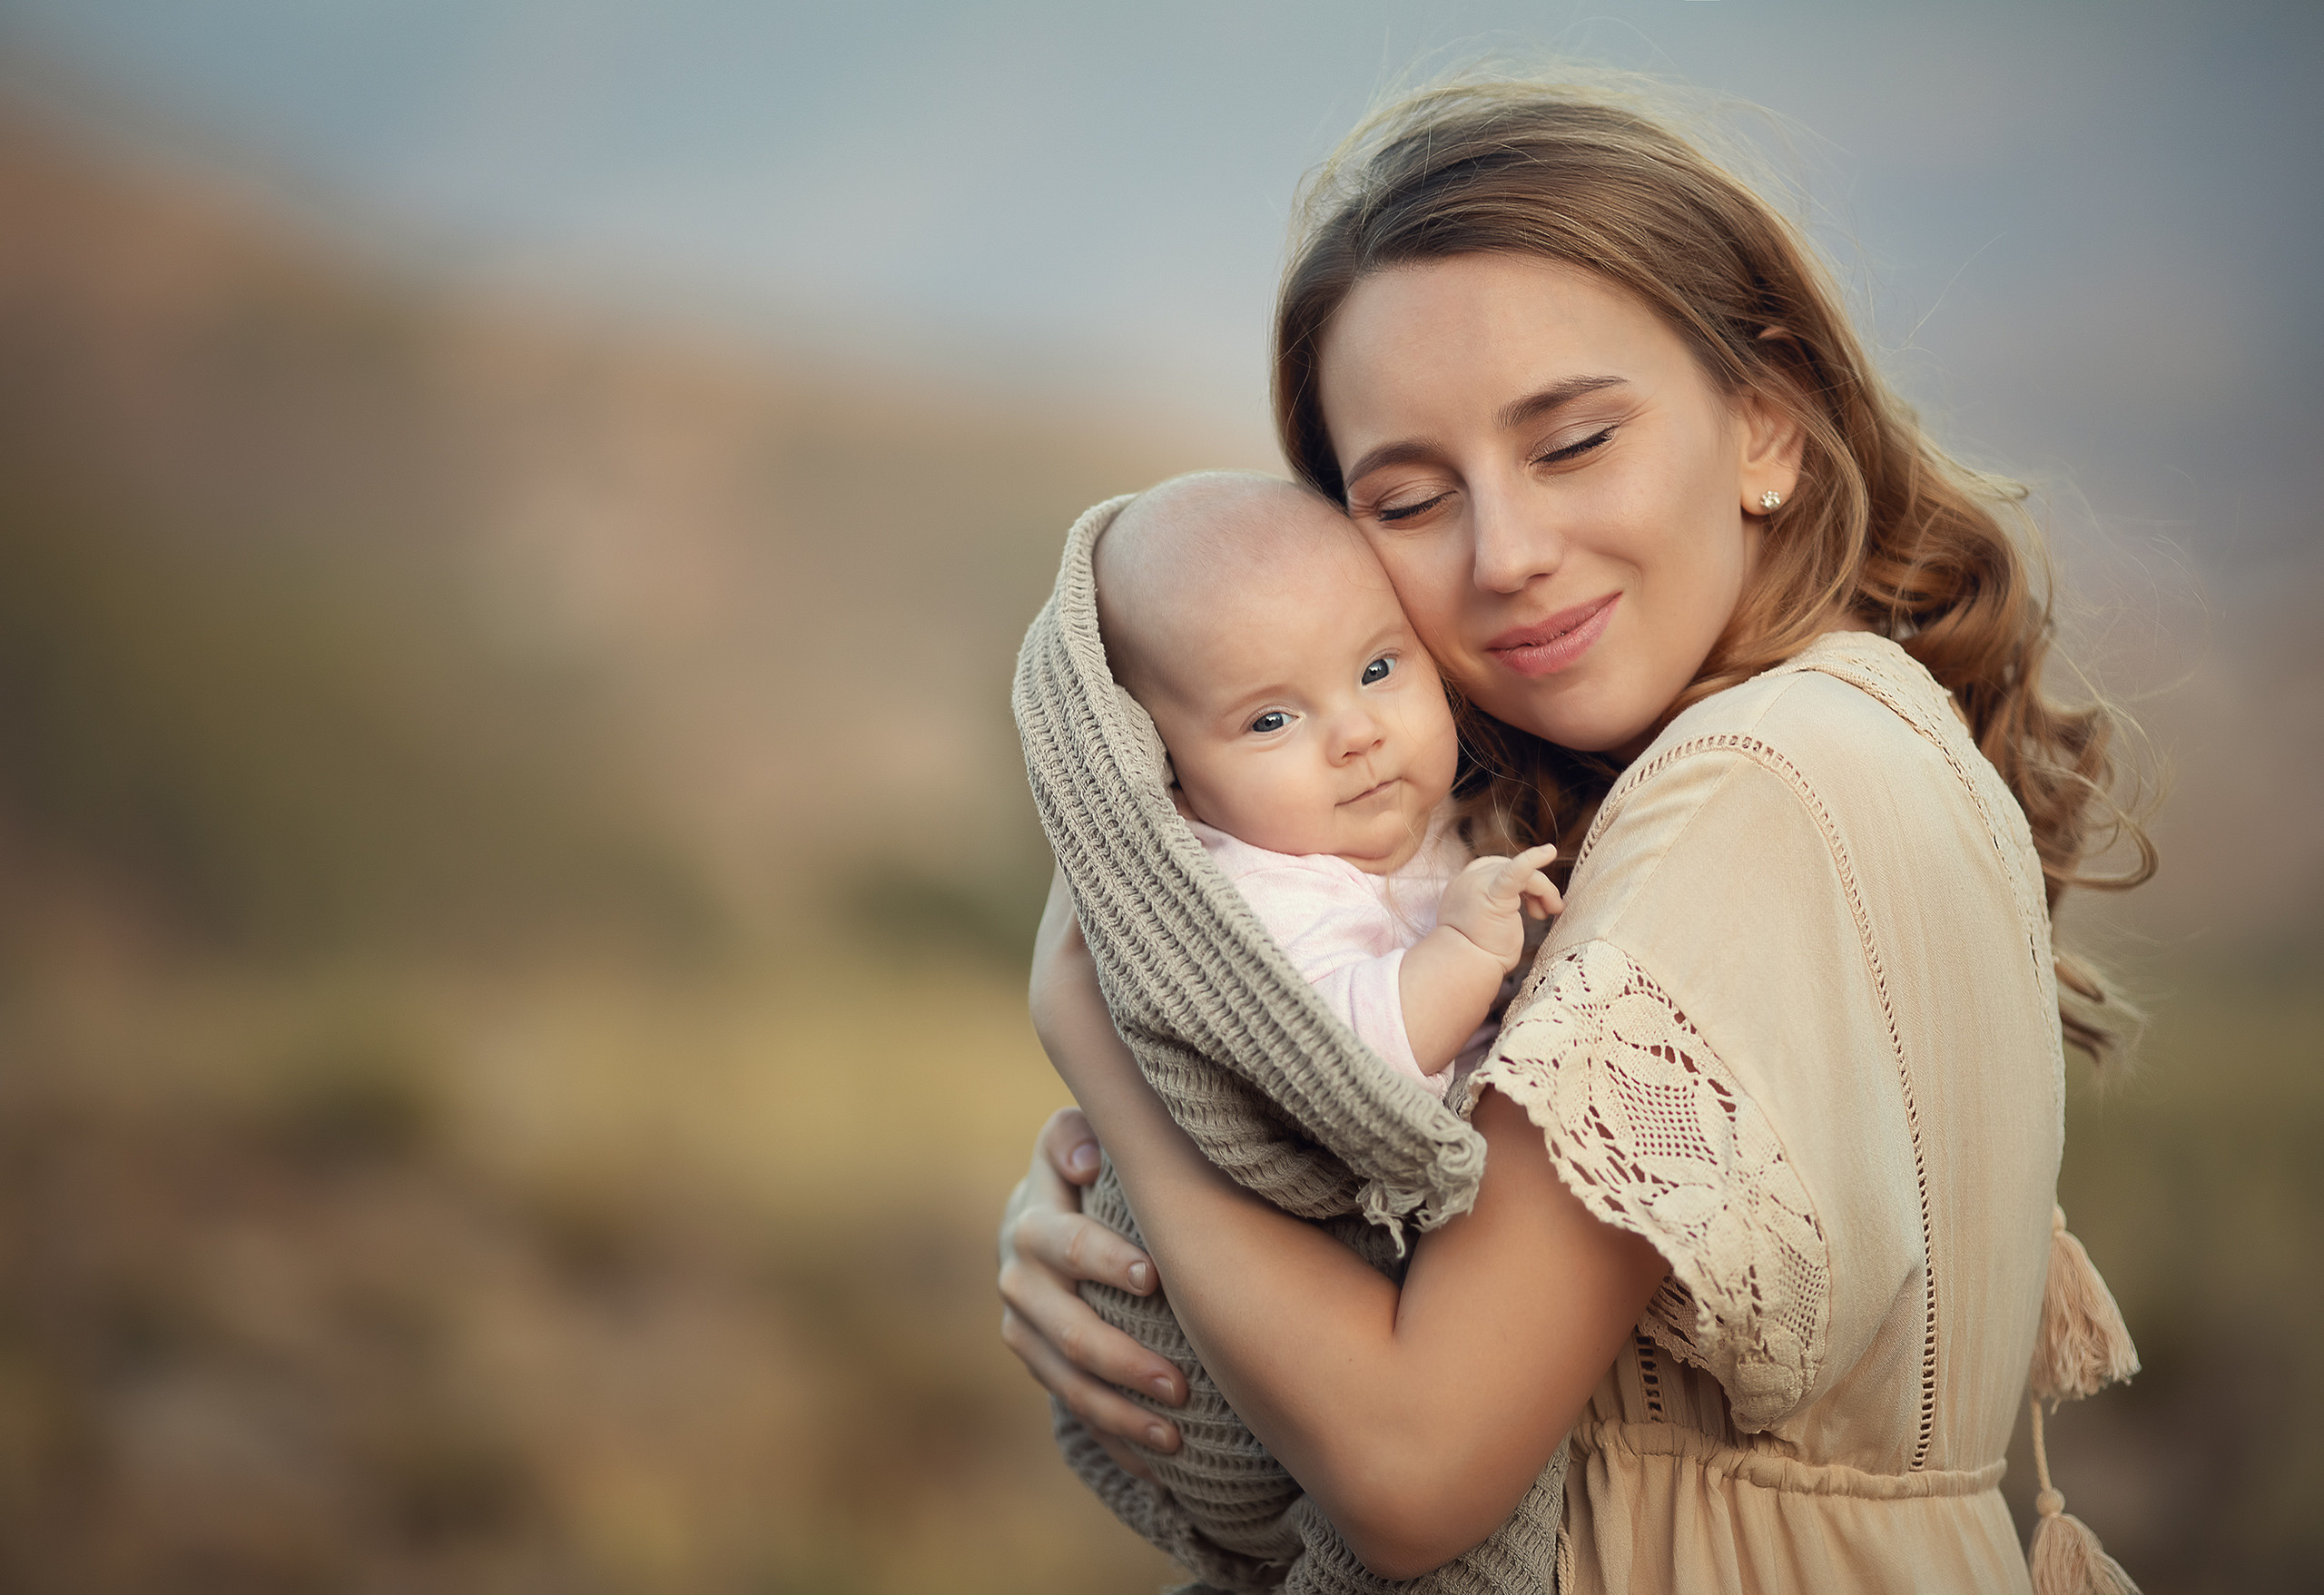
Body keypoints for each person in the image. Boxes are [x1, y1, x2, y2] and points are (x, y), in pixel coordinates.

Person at [998, 73, 2151, 1593]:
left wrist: (1102, 1036)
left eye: (1575, 441)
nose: (1510, 554)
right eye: (1409, 499)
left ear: (1767, 422)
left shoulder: (1756, 781)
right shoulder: (1687, 777)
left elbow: (1414, 1466)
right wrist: (1112, 1235)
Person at [1094, 469, 1562, 1098]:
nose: (1357, 733)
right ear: (1173, 777)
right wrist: (1466, 945)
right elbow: (1331, 1064)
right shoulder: (1258, 893)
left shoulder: (1437, 809)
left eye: (1376, 669)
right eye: (1271, 720)